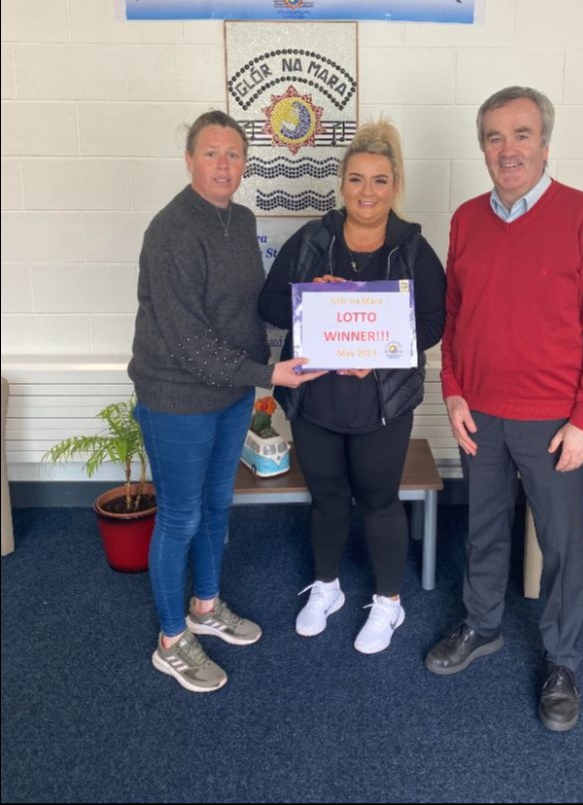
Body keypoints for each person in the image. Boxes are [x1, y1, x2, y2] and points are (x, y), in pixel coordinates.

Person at [424, 87, 583, 732]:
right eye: (494, 137)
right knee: (483, 529)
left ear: (544, 143)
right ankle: (482, 625)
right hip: (479, 413)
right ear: (482, 148)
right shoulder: (464, 220)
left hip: (556, 422)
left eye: (521, 135)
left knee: (563, 544)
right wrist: (453, 389)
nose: (507, 150)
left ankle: (562, 661)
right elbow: (456, 317)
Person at [129, 110, 323, 693]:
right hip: (176, 396)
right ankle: (170, 640)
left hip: (231, 392)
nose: (223, 164)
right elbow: (188, 341)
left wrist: (313, 310)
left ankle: (205, 608)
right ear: (189, 160)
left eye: (234, 154)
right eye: (211, 153)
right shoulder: (170, 231)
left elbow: (251, 308)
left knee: (217, 506)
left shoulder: (241, 219)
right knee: (180, 516)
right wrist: (270, 373)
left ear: (245, 164)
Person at [259, 119, 446, 654]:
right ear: (342, 184)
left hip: (383, 401)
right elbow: (269, 304)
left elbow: (435, 323)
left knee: (379, 500)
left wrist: (382, 355)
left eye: (380, 181)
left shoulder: (413, 249)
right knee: (328, 498)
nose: (368, 192)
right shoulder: (313, 239)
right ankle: (328, 588)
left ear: (396, 186)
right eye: (358, 179)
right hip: (316, 398)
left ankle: (389, 601)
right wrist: (305, 293)